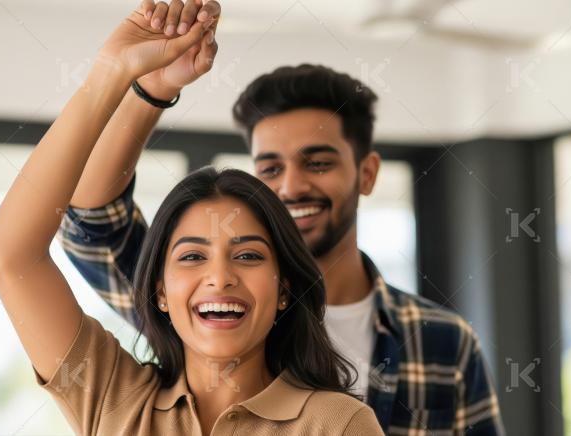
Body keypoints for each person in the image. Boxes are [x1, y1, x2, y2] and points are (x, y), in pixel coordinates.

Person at [60, 0, 505, 434]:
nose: (291, 187)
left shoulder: (443, 341)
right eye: (270, 168)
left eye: (318, 163)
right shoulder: (205, 304)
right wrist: (152, 90)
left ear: (367, 174)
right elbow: (90, 219)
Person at [0, 3, 384, 435]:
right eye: (192, 257)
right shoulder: (112, 397)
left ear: (284, 288)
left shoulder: (337, 424)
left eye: (248, 255)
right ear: (159, 291)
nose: (220, 276)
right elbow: (11, 254)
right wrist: (111, 73)